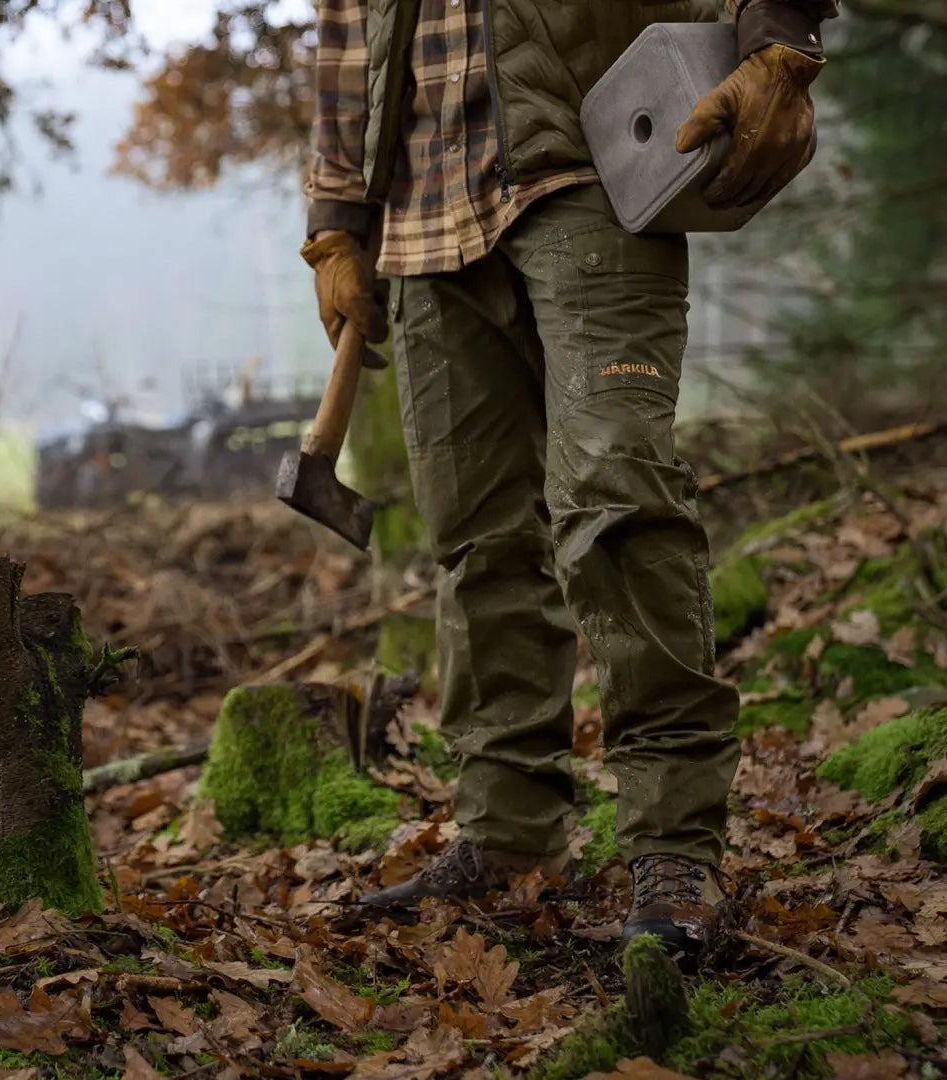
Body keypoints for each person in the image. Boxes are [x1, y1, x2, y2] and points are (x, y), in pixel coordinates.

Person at [301, 0, 838, 958]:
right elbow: (347, 35)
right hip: (422, 222)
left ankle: (675, 847)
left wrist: (783, 39)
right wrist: (337, 222)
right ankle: (507, 837)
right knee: (478, 542)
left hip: (594, 162)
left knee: (618, 505)